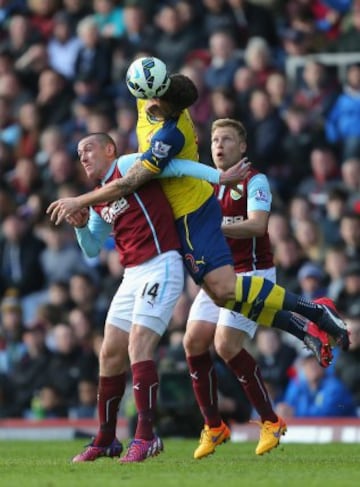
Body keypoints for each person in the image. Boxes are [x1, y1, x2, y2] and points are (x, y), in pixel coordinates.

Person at [47, 67, 349, 355]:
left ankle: (315, 311)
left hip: (192, 212)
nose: (153, 104)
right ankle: (303, 328)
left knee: (225, 291)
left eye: (160, 102)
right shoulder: (146, 103)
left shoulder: (169, 135)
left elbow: (137, 180)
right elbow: (92, 245)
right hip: (178, 220)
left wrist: (80, 201)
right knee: (222, 296)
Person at [67, 131, 248, 464]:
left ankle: (146, 436)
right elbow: (92, 249)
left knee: (139, 344)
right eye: (79, 153)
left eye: (88, 148)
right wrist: (80, 226)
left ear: (109, 149)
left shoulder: (129, 164)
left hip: (162, 263)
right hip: (131, 273)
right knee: (109, 353)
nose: (83, 157)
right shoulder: (98, 197)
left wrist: (219, 177)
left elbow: (176, 165)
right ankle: (107, 438)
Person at [182, 118, 333, 460]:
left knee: (224, 344)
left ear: (242, 147)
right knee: (192, 341)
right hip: (217, 274)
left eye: (227, 139)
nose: (218, 145)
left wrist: (214, 228)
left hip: (254, 271)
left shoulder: (255, 180)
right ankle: (213, 426)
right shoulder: (206, 182)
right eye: (215, 139)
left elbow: (257, 225)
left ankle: (269, 421)